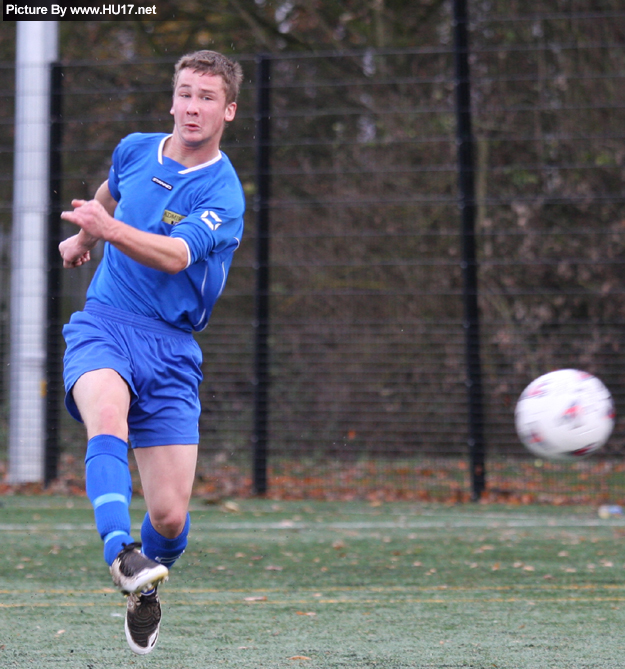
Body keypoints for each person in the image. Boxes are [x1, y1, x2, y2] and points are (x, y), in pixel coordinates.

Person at [58, 50, 245, 655]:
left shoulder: (224, 192)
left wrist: (107, 232)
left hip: (171, 349)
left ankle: (146, 585)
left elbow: (175, 256)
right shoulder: (136, 147)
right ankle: (121, 554)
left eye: (208, 97)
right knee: (105, 417)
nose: (194, 106)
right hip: (106, 324)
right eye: (186, 93)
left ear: (229, 111)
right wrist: (85, 235)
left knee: (168, 517)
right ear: (172, 100)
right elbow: (108, 193)